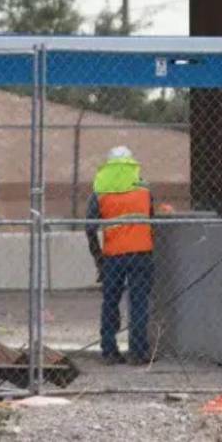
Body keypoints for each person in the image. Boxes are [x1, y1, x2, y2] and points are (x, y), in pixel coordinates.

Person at [86, 146, 155, 365]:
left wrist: (98, 257)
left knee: (110, 301)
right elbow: (152, 219)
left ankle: (109, 350)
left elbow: (89, 228)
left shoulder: (100, 191)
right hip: (141, 252)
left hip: (113, 255)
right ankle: (138, 352)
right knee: (139, 302)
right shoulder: (144, 188)